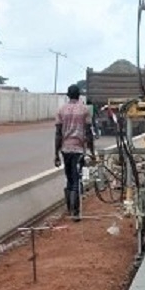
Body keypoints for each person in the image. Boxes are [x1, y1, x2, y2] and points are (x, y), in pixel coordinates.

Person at [54, 84, 95, 220]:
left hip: (65, 149)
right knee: (77, 179)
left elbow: (58, 133)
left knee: (69, 178)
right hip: (78, 150)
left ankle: (69, 207)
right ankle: (75, 212)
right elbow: (89, 133)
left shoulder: (61, 110)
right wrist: (92, 151)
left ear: (68, 95)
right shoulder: (84, 110)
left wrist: (56, 154)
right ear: (79, 95)